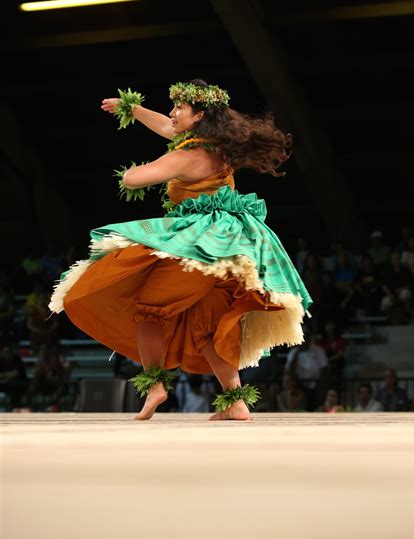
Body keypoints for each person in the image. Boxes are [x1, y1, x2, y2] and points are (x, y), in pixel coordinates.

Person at [48, 80, 312, 422]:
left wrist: (129, 172)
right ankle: (235, 401)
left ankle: (156, 384)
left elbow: (134, 180)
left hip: (199, 249)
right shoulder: (218, 147)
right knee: (204, 327)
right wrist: (132, 109)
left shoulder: (186, 156)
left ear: (199, 115)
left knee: (149, 311)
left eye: (179, 108)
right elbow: (165, 126)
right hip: (226, 253)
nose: (172, 113)